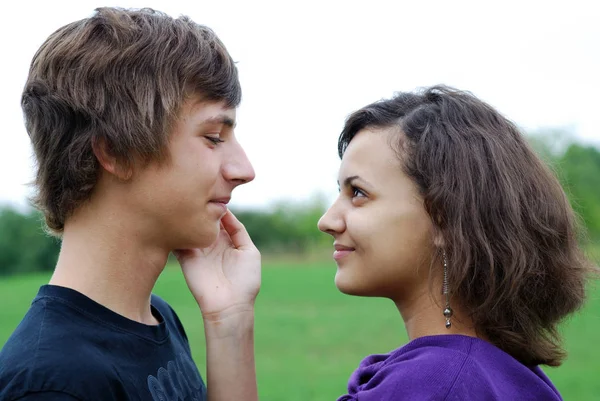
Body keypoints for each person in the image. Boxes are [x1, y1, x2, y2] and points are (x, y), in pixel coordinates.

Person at [0, 7, 260, 401]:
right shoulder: (52, 384)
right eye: (213, 137)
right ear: (115, 152)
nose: (244, 169)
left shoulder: (160, 320)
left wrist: (230, 322)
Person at [317, 85, 596, 400]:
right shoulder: (503, 373)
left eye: (358, 193)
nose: (327, 221)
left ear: (444, 217)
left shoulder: (432, 385)